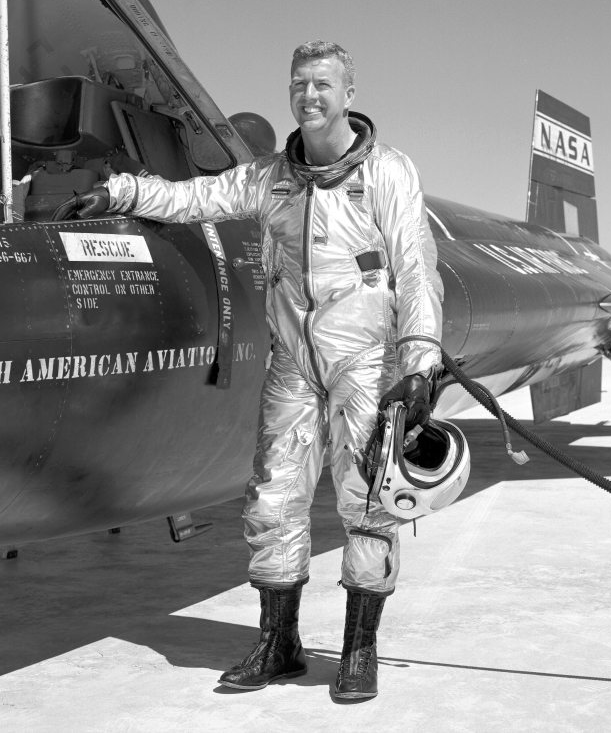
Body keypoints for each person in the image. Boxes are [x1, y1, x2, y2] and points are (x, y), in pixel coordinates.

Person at [69, 41, 444, 699]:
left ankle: (359, 649)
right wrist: (120, 190)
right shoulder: (270, 177)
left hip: (365, 361)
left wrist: (419, 359)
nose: (310, 96)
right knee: (273, 504)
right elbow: (195, 198)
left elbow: (416, 268)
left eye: (324, 84)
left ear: (348, 94)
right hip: (293, 364)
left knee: (366, 502)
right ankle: (278, 643)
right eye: (300, 84)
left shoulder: (387, 173)